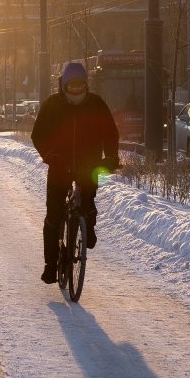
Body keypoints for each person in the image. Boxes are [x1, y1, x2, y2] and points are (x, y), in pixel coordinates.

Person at [30, 61, 120, 284]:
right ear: (64, 85)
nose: (77, 90)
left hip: (89, 163)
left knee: (88, 200)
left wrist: (111, 157)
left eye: (81, 85)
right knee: (53, 217)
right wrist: (50, 155)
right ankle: (51, 266)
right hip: (60, 165)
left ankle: (88, 223)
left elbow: (110, 133)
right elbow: (38, 134)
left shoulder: (96, 104)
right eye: (72, 85)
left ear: (86, 85)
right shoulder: (53, 104)